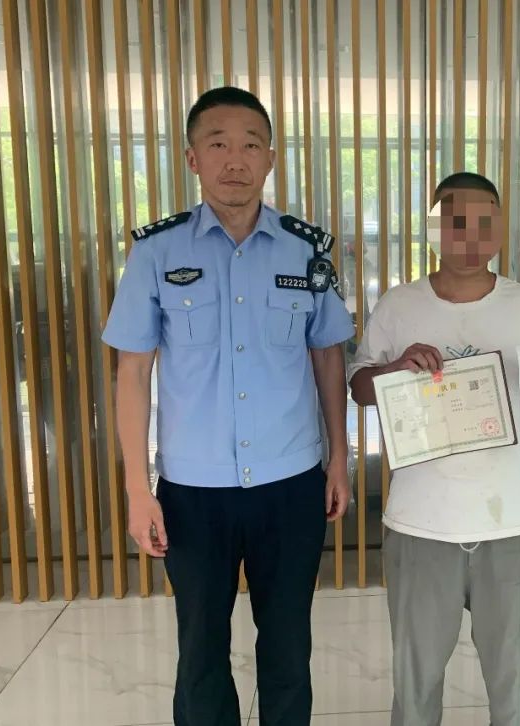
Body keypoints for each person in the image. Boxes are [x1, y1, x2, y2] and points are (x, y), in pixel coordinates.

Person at [102, 86, 354, 726]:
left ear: (270, 157)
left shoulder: (306, 250)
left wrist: (340, 458)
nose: (234, 159)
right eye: (217, 144)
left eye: (249, 145)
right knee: (201, 652)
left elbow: (328, 357)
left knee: (288, 648)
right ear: (192, 158)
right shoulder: (156, 253)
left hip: (290, 483)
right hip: (193, 491)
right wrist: (137, 490)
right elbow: (132, 373)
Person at [348, 172, 520, 726]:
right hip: (420, 525)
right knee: (416, 690)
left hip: (510, 523)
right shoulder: (400, 305)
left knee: (516, 691)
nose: (470, 236)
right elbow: (358, 386)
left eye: (484, 223)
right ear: (433, 229)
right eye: (454, 223)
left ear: (499, 227)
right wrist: (395, 369)